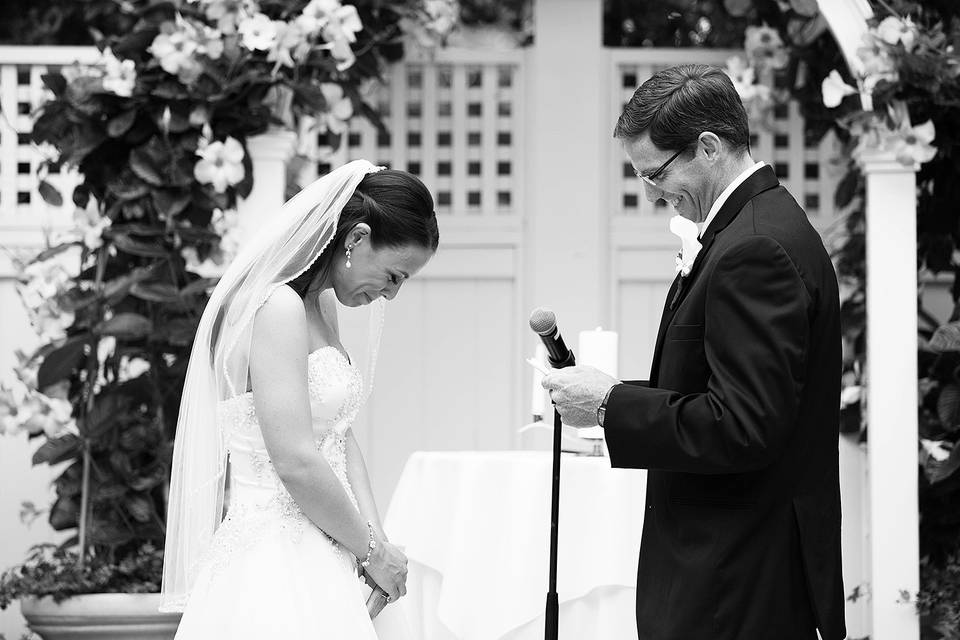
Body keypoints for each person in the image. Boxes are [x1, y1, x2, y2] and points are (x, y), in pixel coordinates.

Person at [542, 64, 845, 640]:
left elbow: (744, 426)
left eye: (655, 172)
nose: (652, 190)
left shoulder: (754, 248)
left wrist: (611, 405)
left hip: (736, 580)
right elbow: (728, 394)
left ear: (707, 147)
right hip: (737, 570)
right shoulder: (757, 226)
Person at [160, 160, 439, 639]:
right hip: (276, 557)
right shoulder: (276, 306)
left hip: (336, 538)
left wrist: (378, 545)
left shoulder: (321, 306)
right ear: (356, 239)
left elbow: (339, 435)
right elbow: (294, 459)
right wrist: (370, 551)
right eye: (395, 275)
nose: (392, 294)